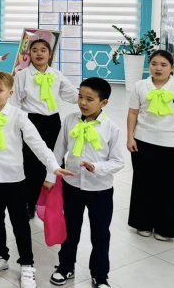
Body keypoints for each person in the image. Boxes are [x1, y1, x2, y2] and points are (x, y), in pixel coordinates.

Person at [0, 71, 72, 288]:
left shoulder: (18, 115)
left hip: (14, 179)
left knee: (20, 222)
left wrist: (53, 166)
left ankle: (27, 263)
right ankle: (0, 255)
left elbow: (38, 144)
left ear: (10, 93)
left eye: (0, 90)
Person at [49, 77, 123, 288]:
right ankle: (65, 266)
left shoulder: (111, 128)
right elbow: (58, 150)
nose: (82, 102)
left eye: (89, 99)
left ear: (104, 102)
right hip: (72, 185)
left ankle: (100, 274)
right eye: (80, 97)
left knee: (100, 233)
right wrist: (51, 176)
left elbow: (118, 161)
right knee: (70, 229)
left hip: (100, 189)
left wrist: (97, 167)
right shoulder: (69, 120)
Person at [12, 39, 78, 218]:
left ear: (50, 54)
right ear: (29, 54)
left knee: (56, 160)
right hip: (31, 122)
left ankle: (54, 204)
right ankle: (30, 203)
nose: (39, 53)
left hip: (53, 122)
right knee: (31, 164)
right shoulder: (22, 75)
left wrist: (89, 98)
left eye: (43, 50)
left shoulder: (56, 74)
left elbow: (72, 95)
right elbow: (14, 102)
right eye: (34, 50)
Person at [127, 49, 174, 241]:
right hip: (143, 141)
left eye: (163, 65)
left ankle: (165, 228)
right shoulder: (140, 86)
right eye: (154, 64)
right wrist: (130, 137)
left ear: (172, 68)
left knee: (170, 187)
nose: (158, 68)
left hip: (173, 143)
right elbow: (133, 113)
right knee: (143, 184)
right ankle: (142, 223)